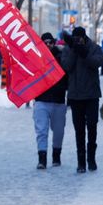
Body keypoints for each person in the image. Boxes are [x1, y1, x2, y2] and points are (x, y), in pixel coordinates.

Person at [61, 26, 102, 173]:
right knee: (79, 130)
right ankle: (81, 162)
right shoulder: (68, 49)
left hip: (92, 95)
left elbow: (97, 63)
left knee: (92, 127)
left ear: (85, 37)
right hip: (75, 95)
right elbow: (67, 67)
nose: (78, 40)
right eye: (75, 38)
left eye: (80, 38)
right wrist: (74, 49)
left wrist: (83, 52)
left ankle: (91, 159)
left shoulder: (94, 47)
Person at [32, 32, 68, 170]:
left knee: (59, 132)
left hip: (58, 100)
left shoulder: (61, 58)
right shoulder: (35, 58)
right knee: (41, 131)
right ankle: (42, 159)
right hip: (41, 100)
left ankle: (56, 156)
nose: (48, 45)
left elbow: (67, 74)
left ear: (54, 43)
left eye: (50, 42)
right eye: (45, 43)